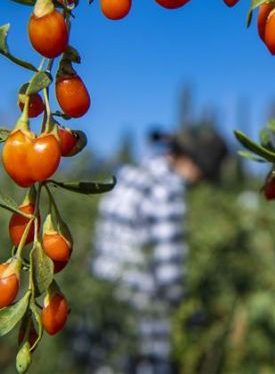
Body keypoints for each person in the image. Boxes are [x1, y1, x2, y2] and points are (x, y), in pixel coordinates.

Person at [88, 124, 228, 374]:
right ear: (192, 163)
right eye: (202, 175)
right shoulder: (166, 191)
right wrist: (187, 310)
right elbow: (167, 267)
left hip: (102, 293)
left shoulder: (129, 174)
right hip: (141, 307)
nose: (199, 182)